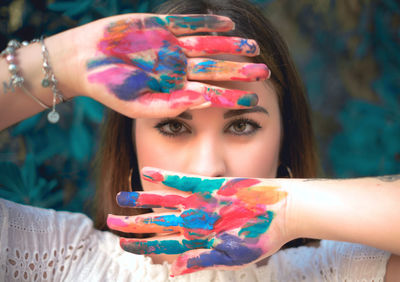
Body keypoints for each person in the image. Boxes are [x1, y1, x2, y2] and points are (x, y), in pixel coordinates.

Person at [0, 0, 399, 281]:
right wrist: (66, 62)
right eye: (174, 126)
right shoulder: (53, 261)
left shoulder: (341, 272)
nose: (209, 168)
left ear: (284, 140)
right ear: (131, 144)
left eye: (241, 126)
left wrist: (289, 206)